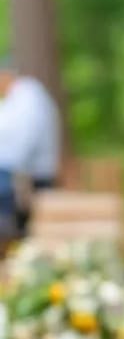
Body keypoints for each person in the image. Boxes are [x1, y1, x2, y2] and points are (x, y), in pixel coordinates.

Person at [0, 60, 61, 237]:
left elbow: (25, 139)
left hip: (34, 174)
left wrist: (11, 164)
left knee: (27, 225)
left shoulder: (29, 97)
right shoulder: (15, 100)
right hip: (21, 171)